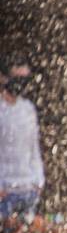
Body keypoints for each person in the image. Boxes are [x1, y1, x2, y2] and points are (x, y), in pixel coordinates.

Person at [0, 59, 44, 219]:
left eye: (25, 79)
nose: (20, 83)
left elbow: (34, 148)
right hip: (5, 190)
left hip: (29, 188)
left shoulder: (28, 109)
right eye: (17, 77)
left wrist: (39, 181)